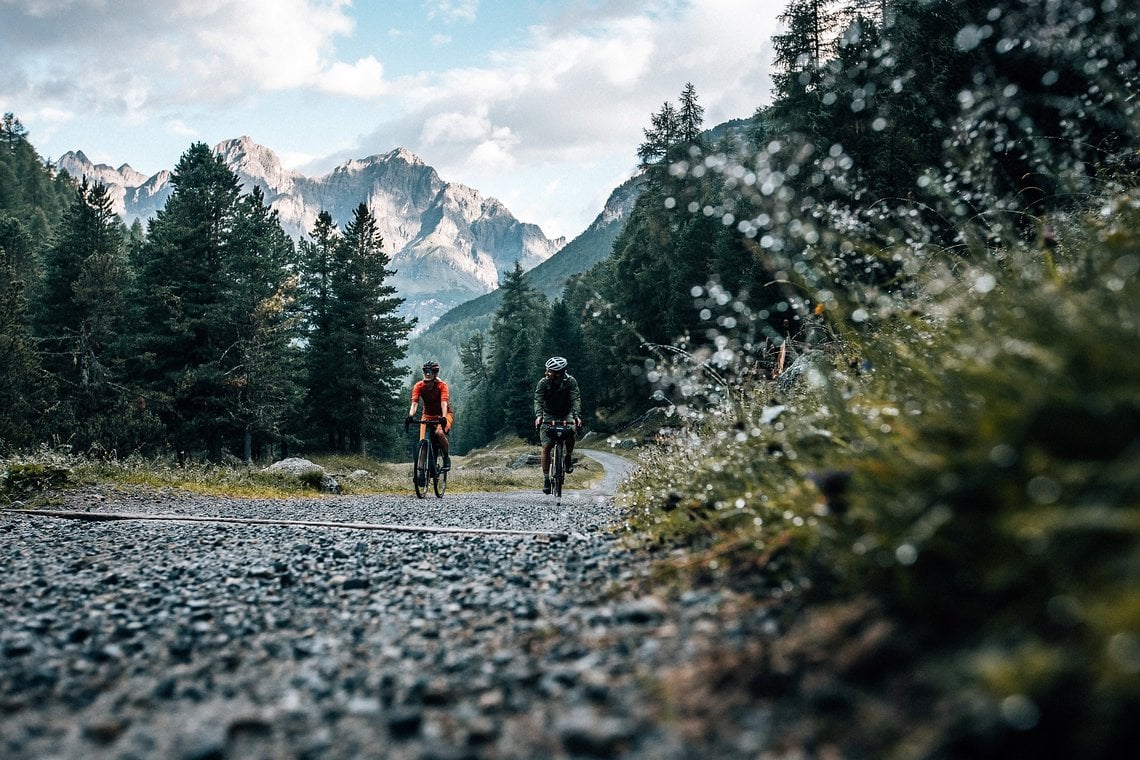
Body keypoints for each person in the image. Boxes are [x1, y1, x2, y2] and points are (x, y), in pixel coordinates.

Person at [533, 356, 582, 494]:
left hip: (566, 413)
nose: (548, 373)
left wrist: (577, 416)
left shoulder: (570, 382)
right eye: (548, 370)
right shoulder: (543, 383)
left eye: (552, 371)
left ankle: (568, 457)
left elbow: (576, 399)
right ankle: (546, 479)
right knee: (546, 446)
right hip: (548, 414)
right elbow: (538, 400)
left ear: (560, 372)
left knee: (571, 432)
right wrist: (538, 416)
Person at [405, 360, 451, 471]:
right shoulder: (419, 386)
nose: (427, 374)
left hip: (443, 415)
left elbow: (444, 404)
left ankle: (446, 457)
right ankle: (420, 470)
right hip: (427, 416)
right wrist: (410, 416)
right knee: (423, 442)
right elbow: (414, 404)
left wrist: (444, 418)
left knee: (439, 433)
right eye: (425, 371)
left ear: (435, 373)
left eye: (430, 371)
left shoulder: (442, 386)